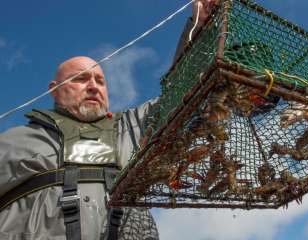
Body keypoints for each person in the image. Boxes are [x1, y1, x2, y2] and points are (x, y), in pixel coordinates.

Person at [0, 0, 219, 239]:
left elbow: (181, 90)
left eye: (100, 81)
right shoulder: (13, 140)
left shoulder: (132, 128)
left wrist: (199, 27)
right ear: (54, 89)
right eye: (81, 79)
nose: (93, 86)